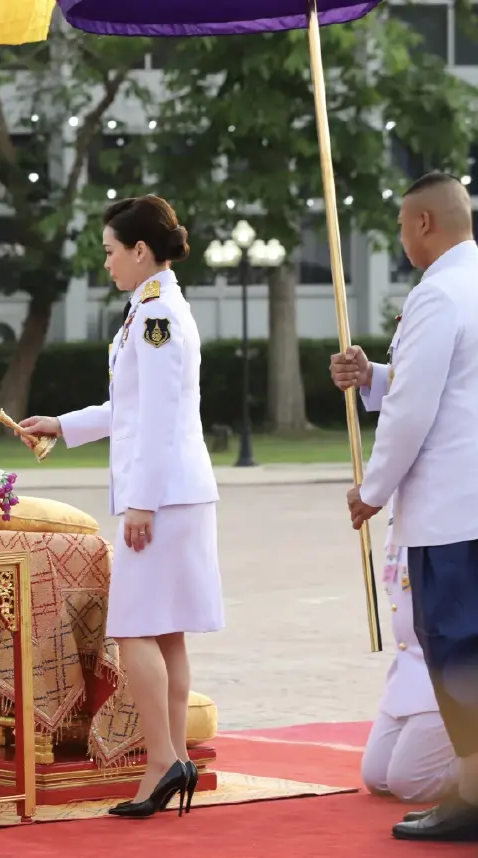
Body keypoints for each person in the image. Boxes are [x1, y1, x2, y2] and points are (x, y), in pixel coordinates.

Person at [20, 195, 222, 819]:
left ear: (140, 250)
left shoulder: (157, 315)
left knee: (133, 628)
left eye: (110, 251)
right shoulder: (152, 309)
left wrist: (140, 503)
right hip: (177, 492)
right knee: (166, 630)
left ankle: (162, 761)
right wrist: (62, 424)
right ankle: (172, 757)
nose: (106, 262)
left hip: (162, 496)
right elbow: (129, 408)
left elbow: (157, 416)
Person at [332, 172, 478, 842]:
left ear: (424, 223)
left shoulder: (438, 293)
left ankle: (470, 796)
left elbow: (414, 410)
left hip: (451, 510)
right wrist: (376, 377)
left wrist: (372, 489)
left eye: (400, 226)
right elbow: (452, 386)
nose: (400, 239)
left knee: (456, 649)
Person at [359, 511, 460, 803]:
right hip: (410, 669)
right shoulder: (404, 510)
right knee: (378, 777)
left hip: (449, 669)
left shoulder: (456, 516)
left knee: (412, 783)